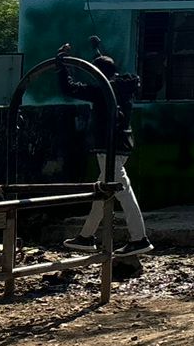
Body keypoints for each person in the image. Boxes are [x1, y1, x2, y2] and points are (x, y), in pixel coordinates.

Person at [57, 41, 153, 256]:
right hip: (122, 144)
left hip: (108, 147)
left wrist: (62, 66)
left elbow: (69, 88)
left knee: (123, 192)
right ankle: (86, 236)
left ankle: (139, 238)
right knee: (103, 191)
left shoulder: (102, 90)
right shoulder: (124, 87)